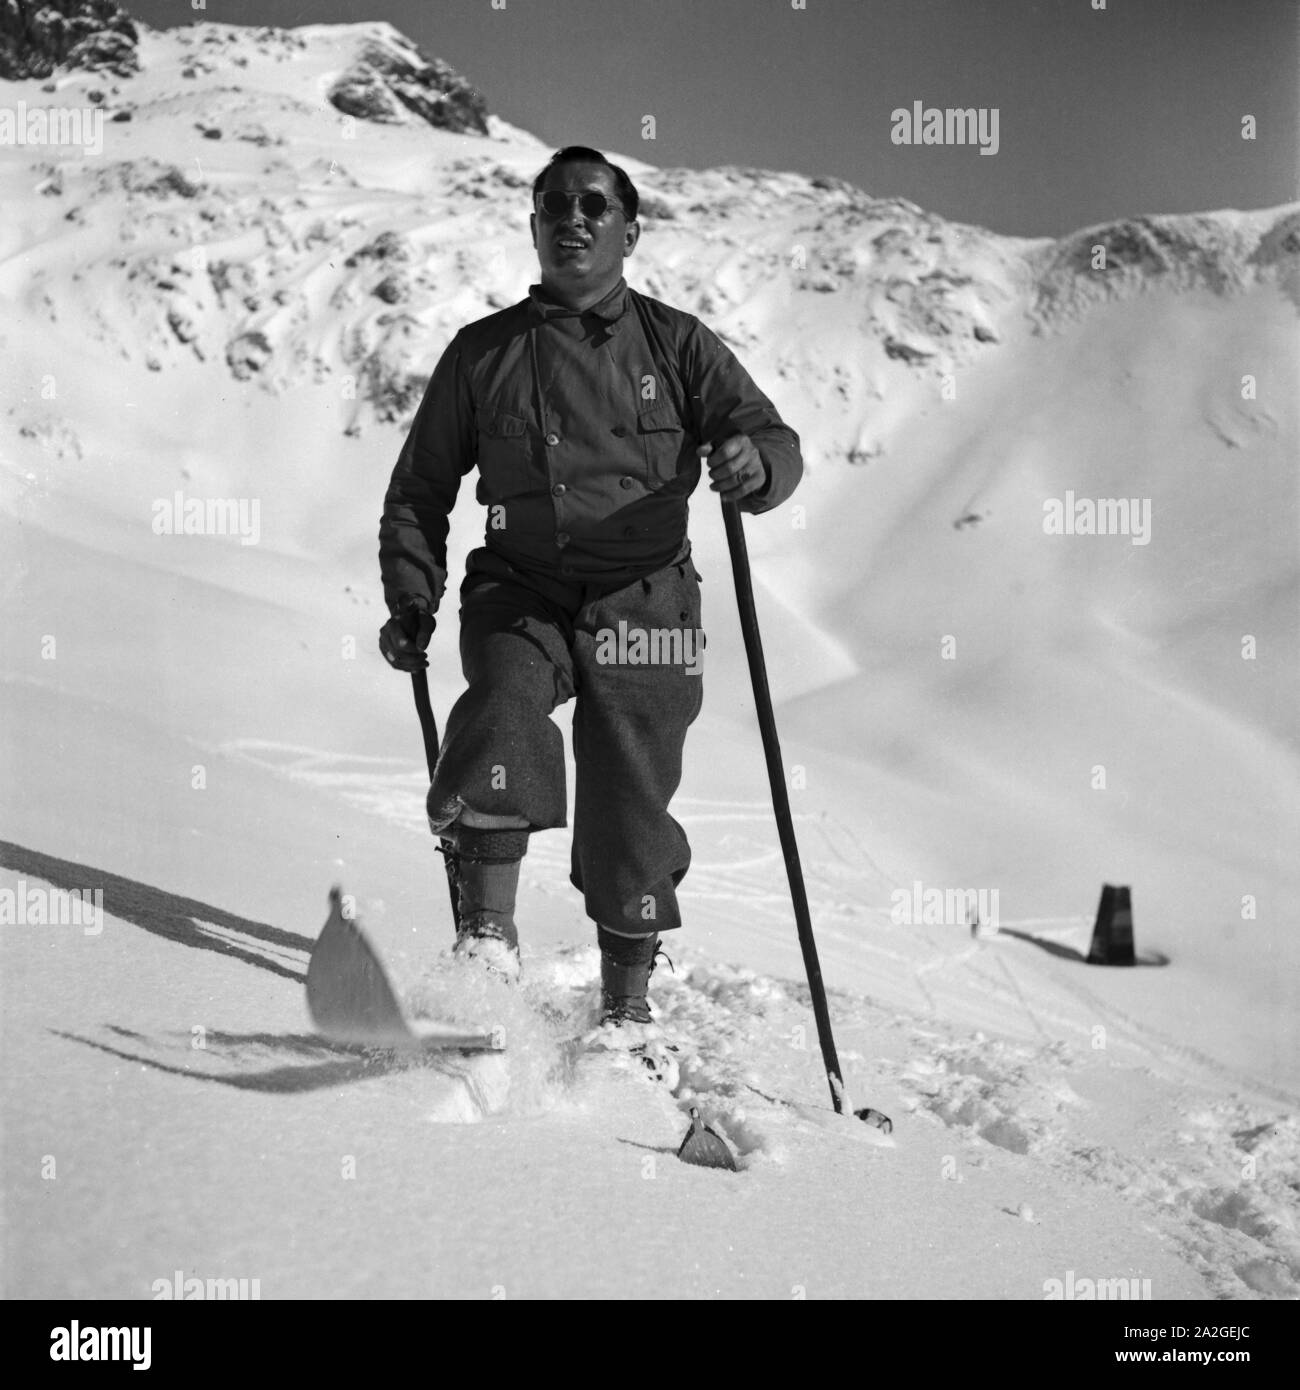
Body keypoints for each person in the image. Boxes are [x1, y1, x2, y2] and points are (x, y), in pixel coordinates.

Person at [378, 144, 802, 1045]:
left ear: (629, 229)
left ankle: (627, 1011)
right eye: (554, 204)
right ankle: (487, 946)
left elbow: (774, 441)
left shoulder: (680, 345)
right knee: (501, 704)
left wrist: (755, 463)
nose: (572, 218)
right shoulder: (481, 354)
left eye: (594, 205)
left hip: (645, 601)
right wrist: (412, 596)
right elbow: (419, 488)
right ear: (534, 226)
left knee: (629, 794)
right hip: (521, 589)